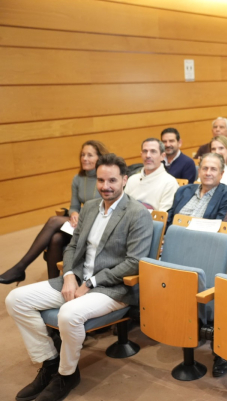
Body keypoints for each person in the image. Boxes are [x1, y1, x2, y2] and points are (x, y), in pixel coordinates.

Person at [5, 153, 153, 401]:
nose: (106, 186)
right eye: (101, 180)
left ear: (125, 180)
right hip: (79, 279)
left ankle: (67, 374)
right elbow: (73, 246)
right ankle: (50, 362)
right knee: (15, 299)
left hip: (112, 288)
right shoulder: (90, 208)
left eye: (112, 181)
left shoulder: (137, 213)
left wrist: (92, 282)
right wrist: (70, 275)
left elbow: (134, 262)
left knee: (68, 314)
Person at [0, 141, 109, 285]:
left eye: (90, 155)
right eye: (83, 155)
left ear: (99, 158)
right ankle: (53, 283)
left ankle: (21, 267)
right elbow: (74, 206)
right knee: (55, 239)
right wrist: (74, 214)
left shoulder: (104, 179)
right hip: (80, 223)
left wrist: (79, 216)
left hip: (97, 224)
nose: (85, 158)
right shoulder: (78, 179)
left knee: (53, 221)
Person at [167, 153, 227, 227]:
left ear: (221, 174)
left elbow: (218, 228)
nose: (208, 173)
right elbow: (168, 220)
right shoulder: (183, 190)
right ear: (199, 172)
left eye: (213, 169)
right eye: (205, 168)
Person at [125, 138, 179, 211]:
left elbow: (162, 217)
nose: (148, 155)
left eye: (153, 151)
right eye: (145, 151)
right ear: (141, 155)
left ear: (162, 156)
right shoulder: (132, 179)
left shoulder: (170, 183)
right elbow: (123, 208)